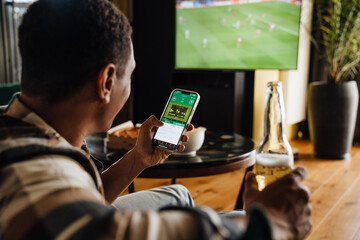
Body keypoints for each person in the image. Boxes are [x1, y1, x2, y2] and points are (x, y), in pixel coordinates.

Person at [0, 0, 311, 239]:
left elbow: (86, 193)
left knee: (178, 194)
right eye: (130, 74)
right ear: (107, 82)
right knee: (222, 218)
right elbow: (99, 231)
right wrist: (271, 223)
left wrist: (137, 159)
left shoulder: (37, 129)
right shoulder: (33, 174)